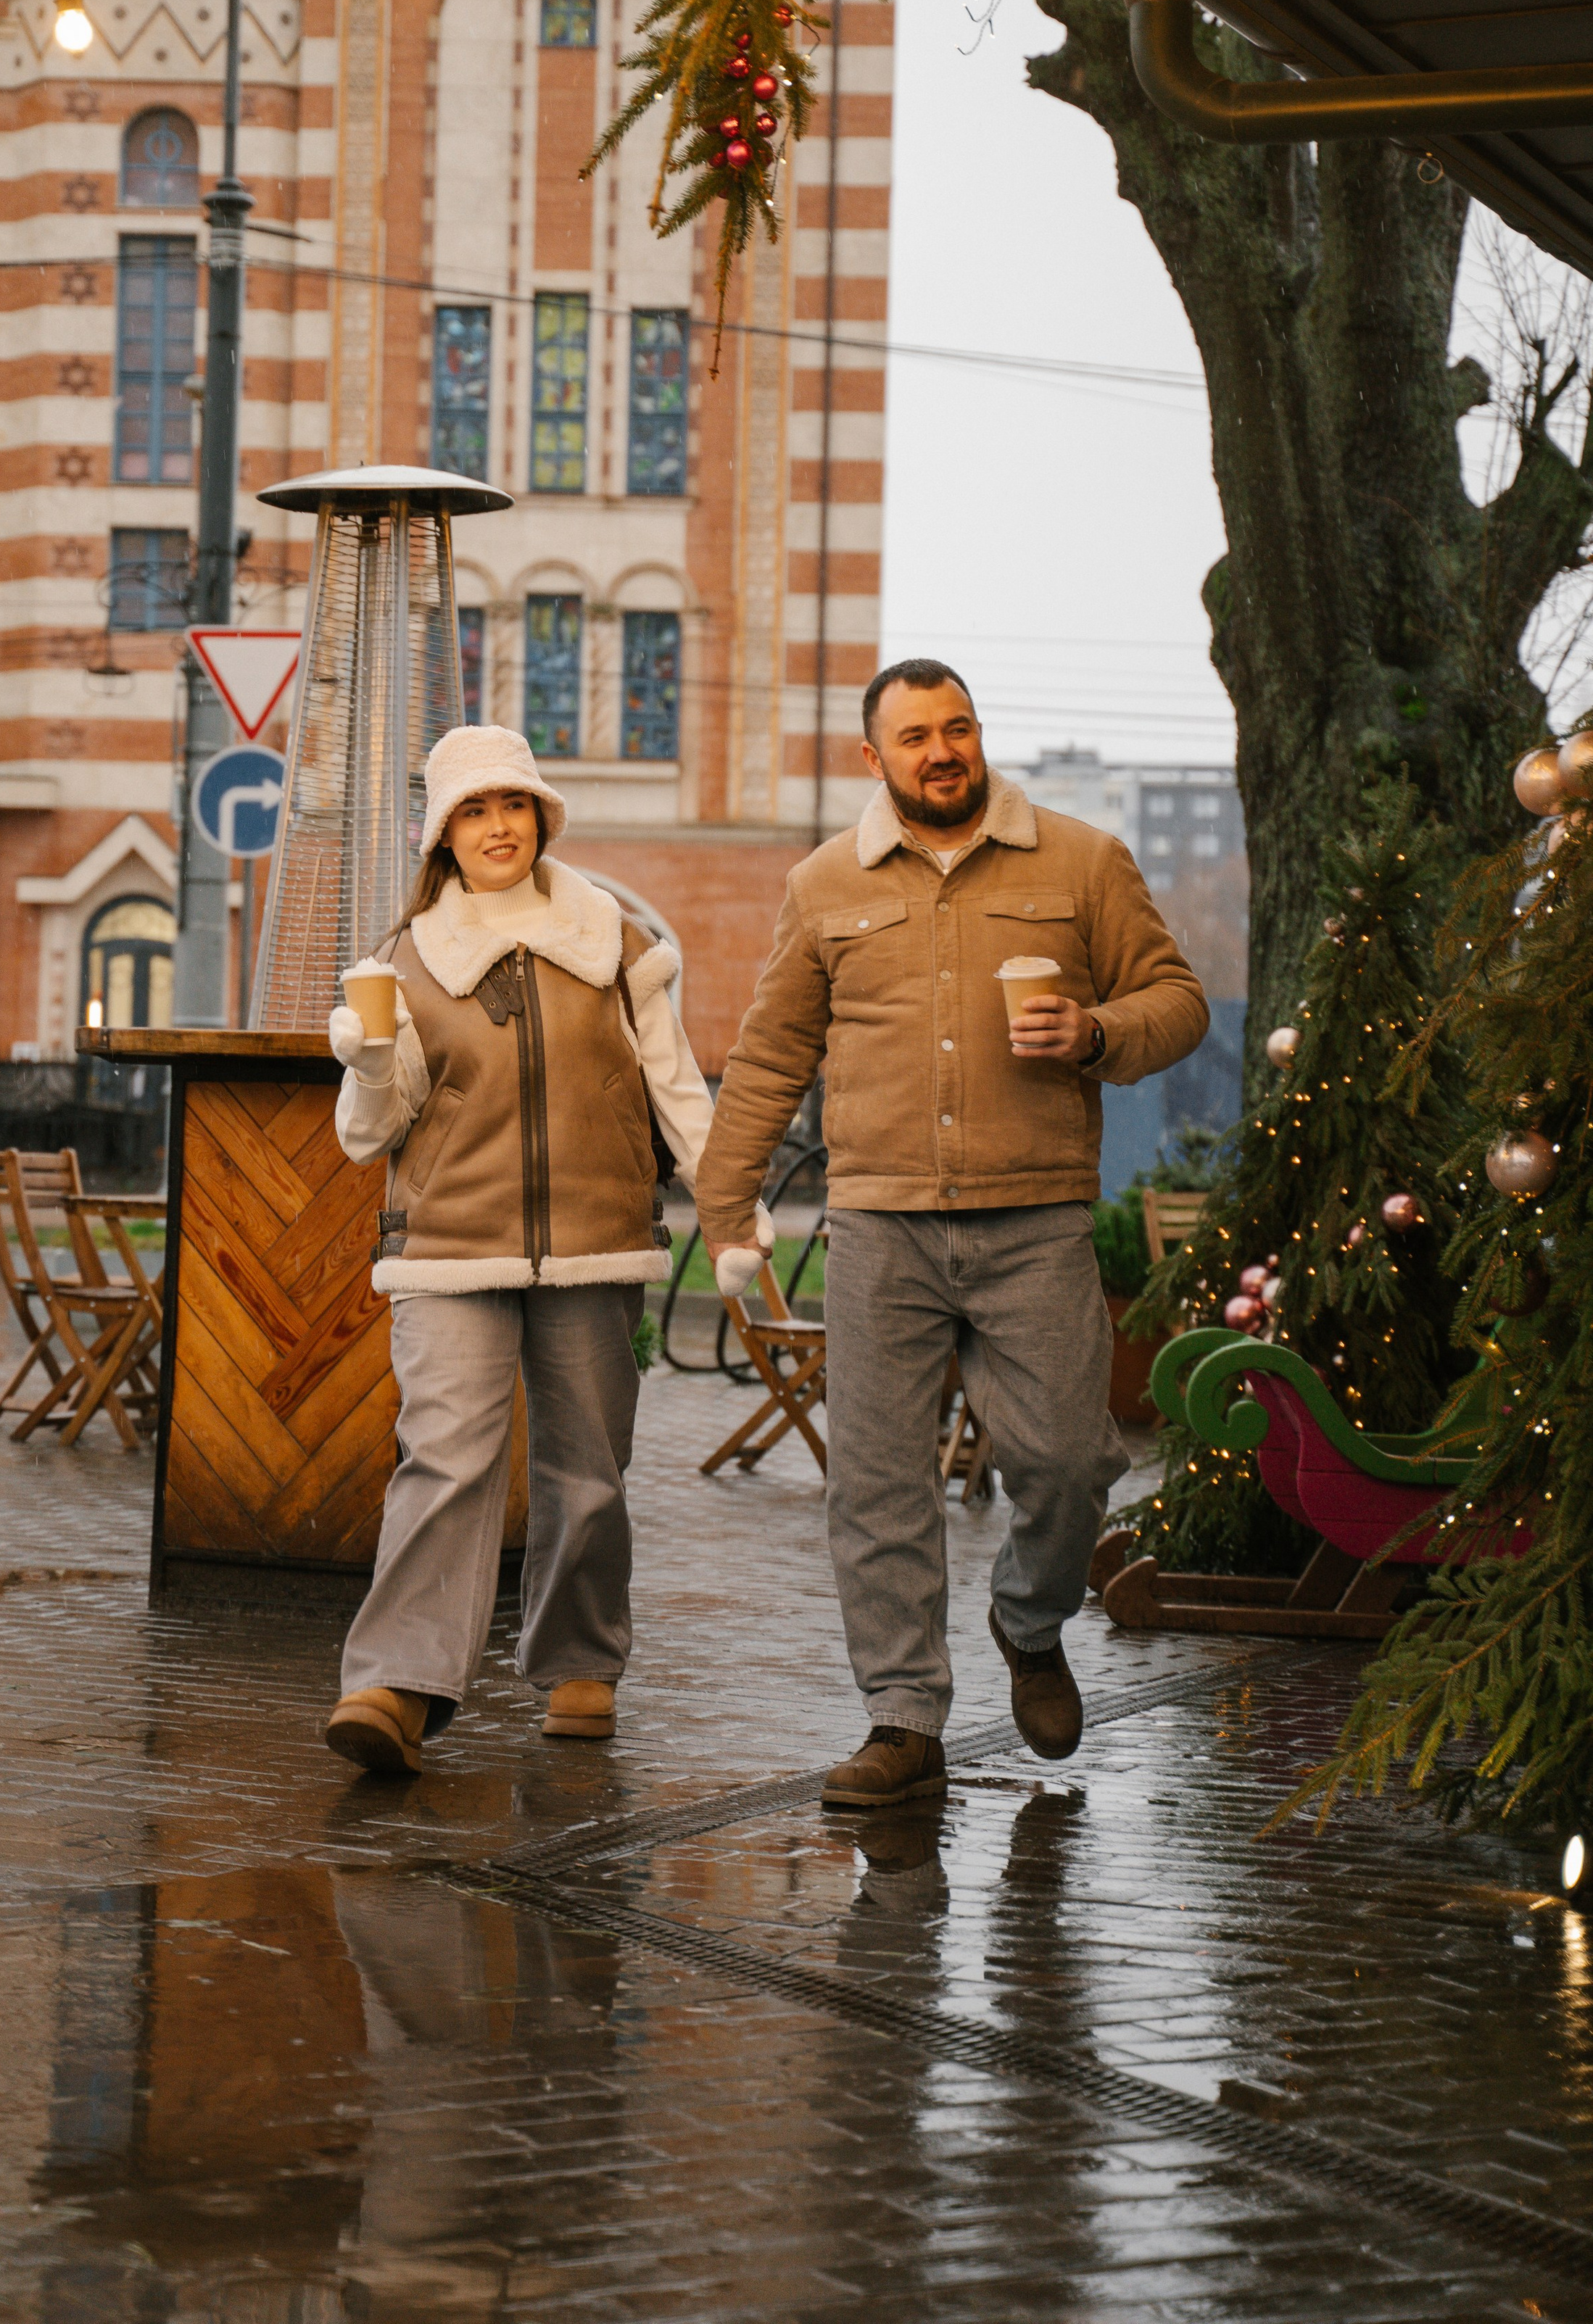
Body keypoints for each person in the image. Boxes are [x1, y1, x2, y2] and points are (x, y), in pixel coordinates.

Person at [695, 660, 1209, 1809]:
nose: (945, 751)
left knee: (1073, 1462)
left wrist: (1093, 1030)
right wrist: (730, 1202)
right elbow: (773, 1052)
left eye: (960, 728)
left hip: (1034, 1221)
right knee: (875, 1484)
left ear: (980, 739)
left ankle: (1029, 1622)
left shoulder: (1080, 861)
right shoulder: (826, 883)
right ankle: (902, 1719)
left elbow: (1177, 1001)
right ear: (871, 759)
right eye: (917, 736)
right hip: (881, 1226)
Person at [322, 723, 724, 1776]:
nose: (497, 827)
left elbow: (678, 1087)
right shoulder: (400, 962)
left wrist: (729, 1200)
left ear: (542, 818)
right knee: (445, 1459)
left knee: (589, 1466)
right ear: (442, 837)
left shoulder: (616, 943)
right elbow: (369, 1132)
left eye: (513, 806)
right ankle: (396, 1686)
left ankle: (581, 1662)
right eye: (473, 811)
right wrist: (368, 1060)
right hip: (449, 1244)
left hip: (595, 1242)